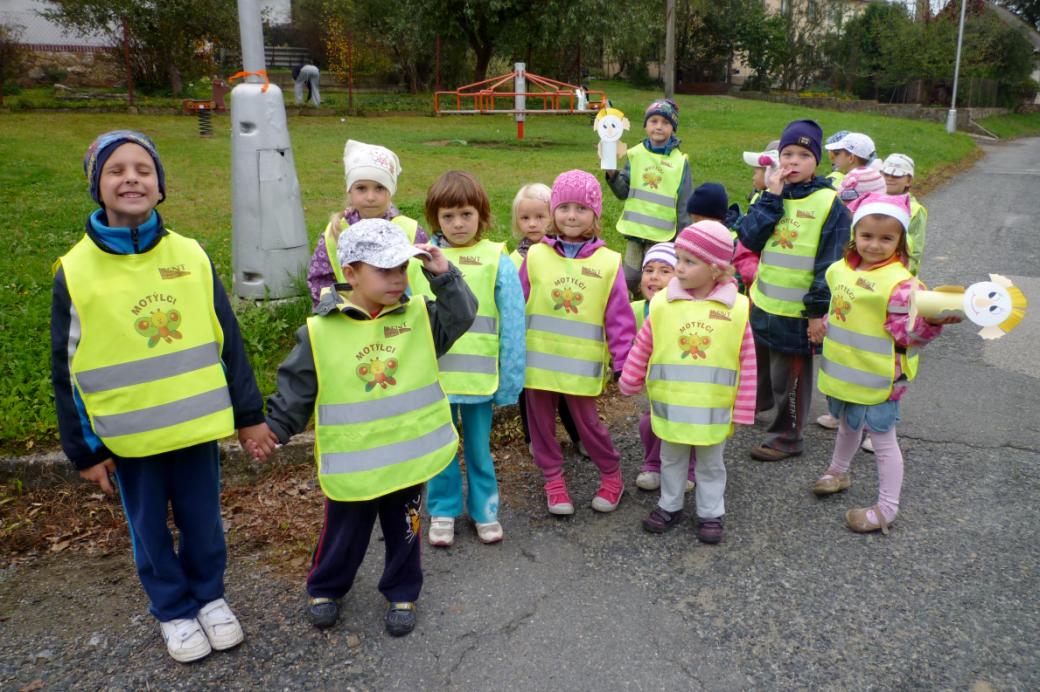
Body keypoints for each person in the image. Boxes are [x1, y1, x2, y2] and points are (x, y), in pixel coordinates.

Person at [51, 130, 278, 663]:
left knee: (204, 520)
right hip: (130, 440)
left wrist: (248, 415)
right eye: (116, 170)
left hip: (196, 429)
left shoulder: (192, 255)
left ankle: (209, 596)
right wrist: (85, 450)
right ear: (97, 187)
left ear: (160, 186)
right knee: (149, 528)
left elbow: (228, 341)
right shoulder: (75, 271)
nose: (131, 177)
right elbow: (66, 369)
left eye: (143, 169)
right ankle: (174, 610)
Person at [261, 219, 477, 636]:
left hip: (406, 458)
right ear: (352, 273)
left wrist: (444, 276)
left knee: (407, 531)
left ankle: (402, 591)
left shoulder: (419, 317)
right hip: (354, 464)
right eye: (385, 270)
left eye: (402, 268)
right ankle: (326, 587)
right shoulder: (321, 330)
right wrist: (275, 429)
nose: (397, 279)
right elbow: (297, 388)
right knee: (344, 532)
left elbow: (462, 315)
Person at [809, 194, 959, 534]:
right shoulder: (840, 269)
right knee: (847, 424)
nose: (874, 245)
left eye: (886, 238)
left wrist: (932, 320)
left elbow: (911, 337)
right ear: (854, 235)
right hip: (844, 375)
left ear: (901, 242)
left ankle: (887, 507)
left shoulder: (902, 286)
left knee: (882, 440)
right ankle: (838, 471)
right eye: (867, 236)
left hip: (881, 379)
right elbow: (840, 308)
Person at [620, 221, 757, 543]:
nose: (678, 268)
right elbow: (645, 344)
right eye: (678, 259)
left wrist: (744, 409)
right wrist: (630, 379)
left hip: (713, 410)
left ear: (716, 269)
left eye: (688, 261)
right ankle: (670, 504)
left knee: (710, 465)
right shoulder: (664, 304)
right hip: (671, 406)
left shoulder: (735, 310)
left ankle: (711, 512)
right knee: (671, 457)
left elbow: (746, 360)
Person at [408, 172, 525, 547]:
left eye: (466, 214)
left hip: (480, 380)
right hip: (436, 381)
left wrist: (510, 380)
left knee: (478, 448)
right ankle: (442, 510)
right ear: (434, 220)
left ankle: (485, 510)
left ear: (482, 215)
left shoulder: (497, 259)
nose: (458, 224)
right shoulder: (419, 263)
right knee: (440, 448)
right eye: (447, 216)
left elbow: (513, 323)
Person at [520, 169, 636, 514]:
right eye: (565, 207)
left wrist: (623, 362)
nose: (572, 216)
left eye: (582, 209)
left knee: (588, 426)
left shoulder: (609, 263)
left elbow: (619, 320)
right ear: (553, 210)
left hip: (581, 370)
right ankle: (553, 479)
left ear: (595, 215)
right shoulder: (536, 256)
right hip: (538, 364)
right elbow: (515, 305)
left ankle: (612, 474)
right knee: (540, 427)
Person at [733, 119, 850, 461]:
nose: (793, 162)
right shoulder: (770, 194)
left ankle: (788, 436)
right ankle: (756, 406)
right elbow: (749, 238)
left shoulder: (830, 204)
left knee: (791, 376)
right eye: (787, 154)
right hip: (764, 303)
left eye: (803, 154)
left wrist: (816, 312)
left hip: (799, 313)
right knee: (760, 365)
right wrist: (771, 197)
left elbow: (830, 263)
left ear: (817, 161)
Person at [509, 182, 586, 457]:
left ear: (552, 216)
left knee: (567, 392)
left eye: (540, 217)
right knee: (528, 393)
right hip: (528, 340)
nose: (532, 224)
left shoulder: (565, 255)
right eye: (525, 218)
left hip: (561, 339)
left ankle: (579, 435)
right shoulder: (513, 260)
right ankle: (536, 438)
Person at [307, 140, 427, 307]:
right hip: (353, 321)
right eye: (361, 188)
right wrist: (334, 314)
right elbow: (320, 280)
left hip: (402, 321)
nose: (370, 197)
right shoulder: (336, 231)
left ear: (390, 191)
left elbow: (426, 276)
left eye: (379, 188)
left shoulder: (410, 230)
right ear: (350, 191)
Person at [605, 98, 694, 293]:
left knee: (659, 281)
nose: (659, 127)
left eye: (665, 122)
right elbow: (622, 192)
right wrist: (612, 174)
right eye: (654, 121)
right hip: (635, 234)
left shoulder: (680, 162)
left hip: (664, 236)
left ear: (673, 128)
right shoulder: (635, 155)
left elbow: (685, 204)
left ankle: (654, 315)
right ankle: (634, 312)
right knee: (630, 279)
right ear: (646, 126)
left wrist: (683, 240)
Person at [629, 242, 696, 492]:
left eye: (664, 271)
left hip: (686, 385)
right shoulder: (635, 310)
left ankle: (689, 468)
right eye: (649, 270)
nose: (654, 277)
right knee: (651, 423)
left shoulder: (685, 312)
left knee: (687, 425)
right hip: (655, 385)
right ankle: (653, 464)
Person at [880, 154, 927, 276]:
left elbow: (915, 252)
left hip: (897, 275)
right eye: (885, 174)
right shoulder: (870, 201)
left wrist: (904, 275)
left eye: (896, 175)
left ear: (909, 180)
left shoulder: (915, 210)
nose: (889, 178)